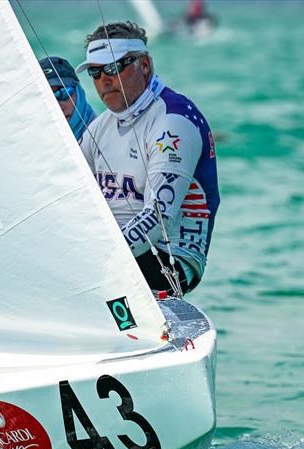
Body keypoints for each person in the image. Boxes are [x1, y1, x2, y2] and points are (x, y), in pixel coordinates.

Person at [76, 21, 219, 294]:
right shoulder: (101, 126)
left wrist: (96, 258)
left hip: (169, 259)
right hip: (114, 254)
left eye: (115, 67)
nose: (104, 79)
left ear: (145, 65)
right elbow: (64, 188)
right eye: (95, 72)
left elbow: (159, 217)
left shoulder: (173, 121)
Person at [38, 56, 96, 140]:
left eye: (64, 92)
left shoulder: (105, 137)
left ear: (79, 92)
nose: (58, 107)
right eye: (46, 99)